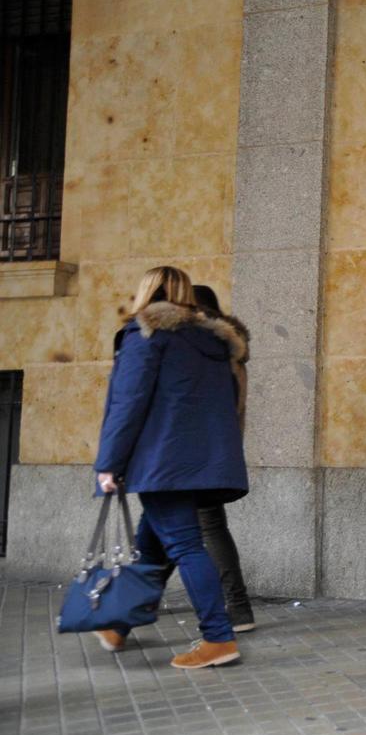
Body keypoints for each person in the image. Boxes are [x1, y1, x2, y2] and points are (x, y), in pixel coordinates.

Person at [92, 266, 249, 669]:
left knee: (185, 546)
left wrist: (109, 463)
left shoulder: (146, 335)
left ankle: (218, 638)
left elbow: (128, 404)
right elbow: (229, 405)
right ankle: (118, 623)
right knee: (151, 544)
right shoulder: (214, 343)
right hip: (198, 461)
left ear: (147, 291)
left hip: (162, 461)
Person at [136, 285, 256, 633]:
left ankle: (235, 607)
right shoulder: (225, 352)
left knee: (197, 529)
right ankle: (143, 602)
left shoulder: (204, 353)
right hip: (206, 454)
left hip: (190, 455)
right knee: (166, 528)